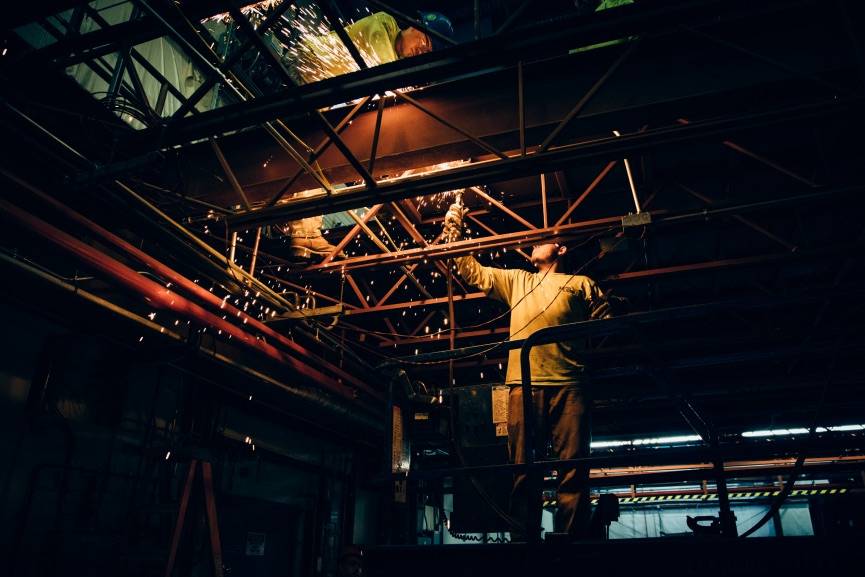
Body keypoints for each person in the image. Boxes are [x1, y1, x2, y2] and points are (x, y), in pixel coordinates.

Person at [443, 201, 614, 540]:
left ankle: (572, 542)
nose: (534, 243)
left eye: (544, 239)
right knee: (523, 470)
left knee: (573, 470)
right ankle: (524, 541)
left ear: (560, 248)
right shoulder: (517, 281)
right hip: (522, 385)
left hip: (570, 384)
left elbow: (606, 324)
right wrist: (454, 227)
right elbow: (469, 267)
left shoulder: (581, 283)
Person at [289, 11, 453, 84]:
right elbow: (381, 61)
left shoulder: (396, 64)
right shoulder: (384, 22)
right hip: (307, 63)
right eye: (425, 42)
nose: (421, 51)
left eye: (427, 52)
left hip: (320, 87)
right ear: (415, 25)